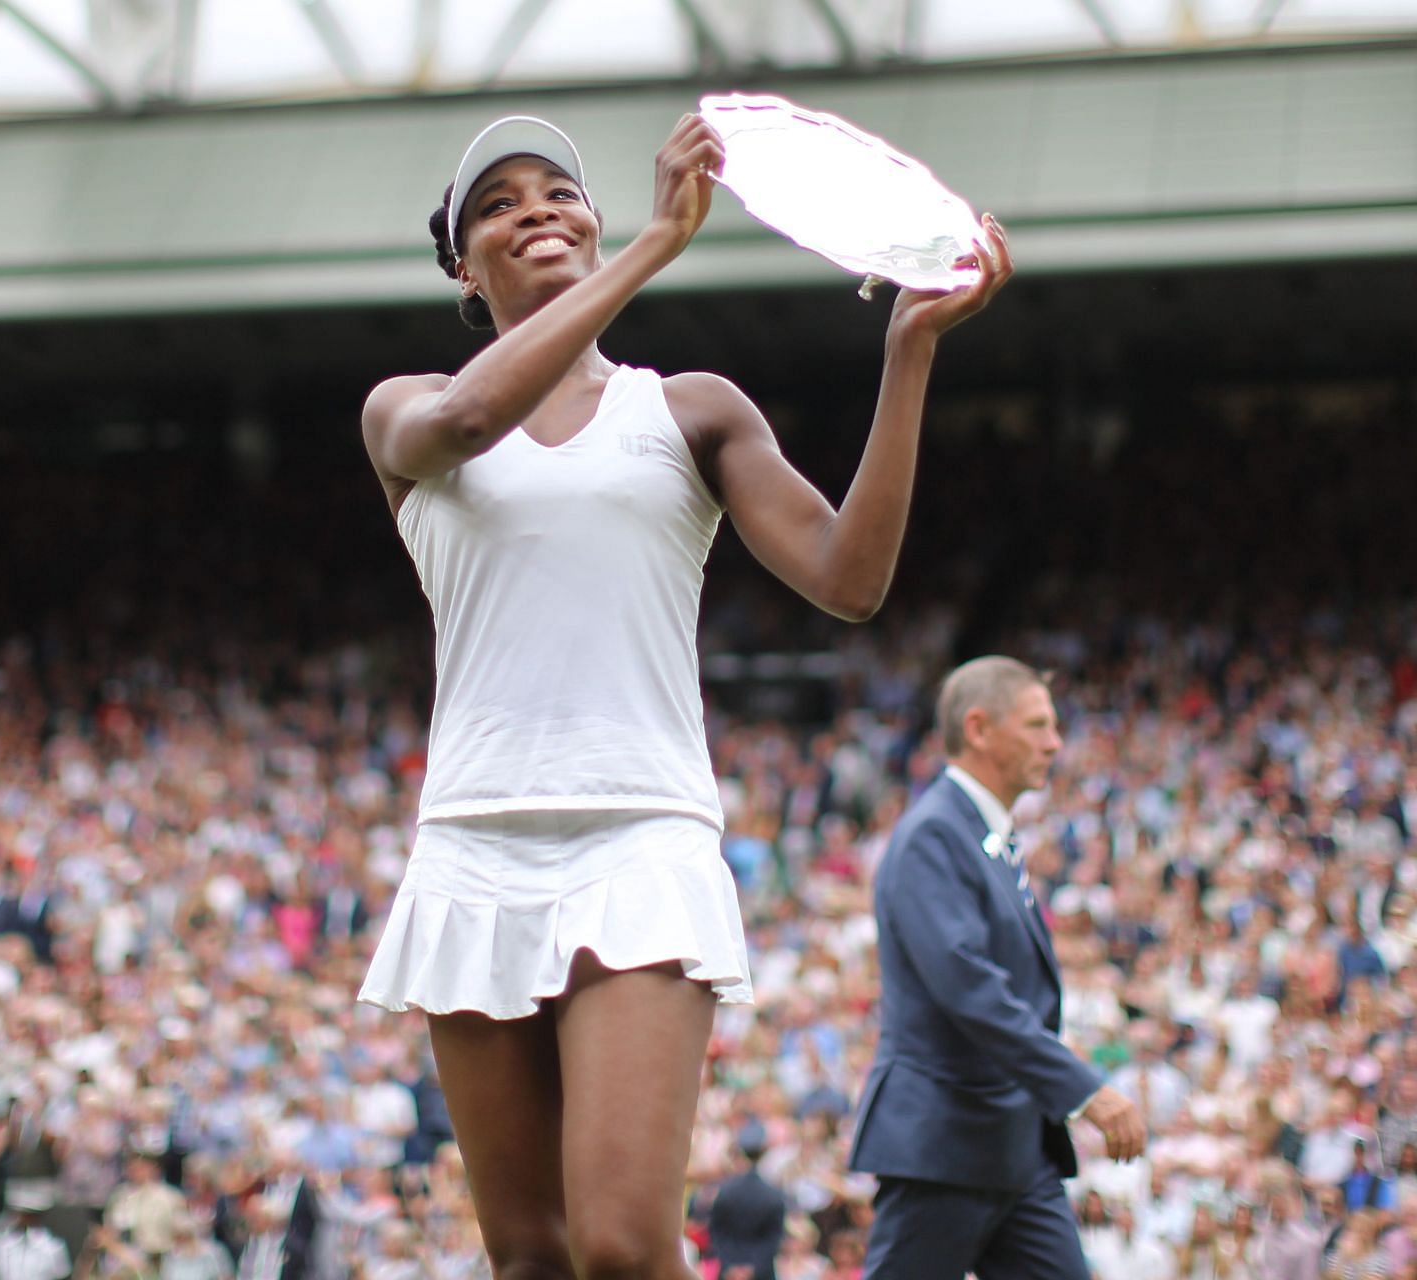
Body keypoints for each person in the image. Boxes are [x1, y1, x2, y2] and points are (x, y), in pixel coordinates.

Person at [356, 111, 1011, 1280]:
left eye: (559, 190)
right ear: (462, 265)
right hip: (471, 848)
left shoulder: (692, 407)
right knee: (531, 1255)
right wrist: (656, 245)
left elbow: (849, 580)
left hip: (641, 837)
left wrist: (908, 353)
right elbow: (465, 421)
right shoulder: (406, 406)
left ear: (592, 216)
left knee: (619, 1243)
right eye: (498, 204)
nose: (538, 211)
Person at [848, 656, 1146, 1279]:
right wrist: (1084, 1090)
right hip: (947, 1142)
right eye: (1038, 725)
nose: (1055, 742)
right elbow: (972, 990)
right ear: (979, 729)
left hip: (1013, 1148)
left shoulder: (985, 834)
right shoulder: (934, 835)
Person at [706, 1123, 788, 1280]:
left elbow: (716, 1232)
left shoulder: (726, 1192)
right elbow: (774, 1238)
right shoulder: (772, 1194)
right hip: (761, 1272)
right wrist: (752, 1268)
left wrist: (730, 1265)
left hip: (729, 1270)